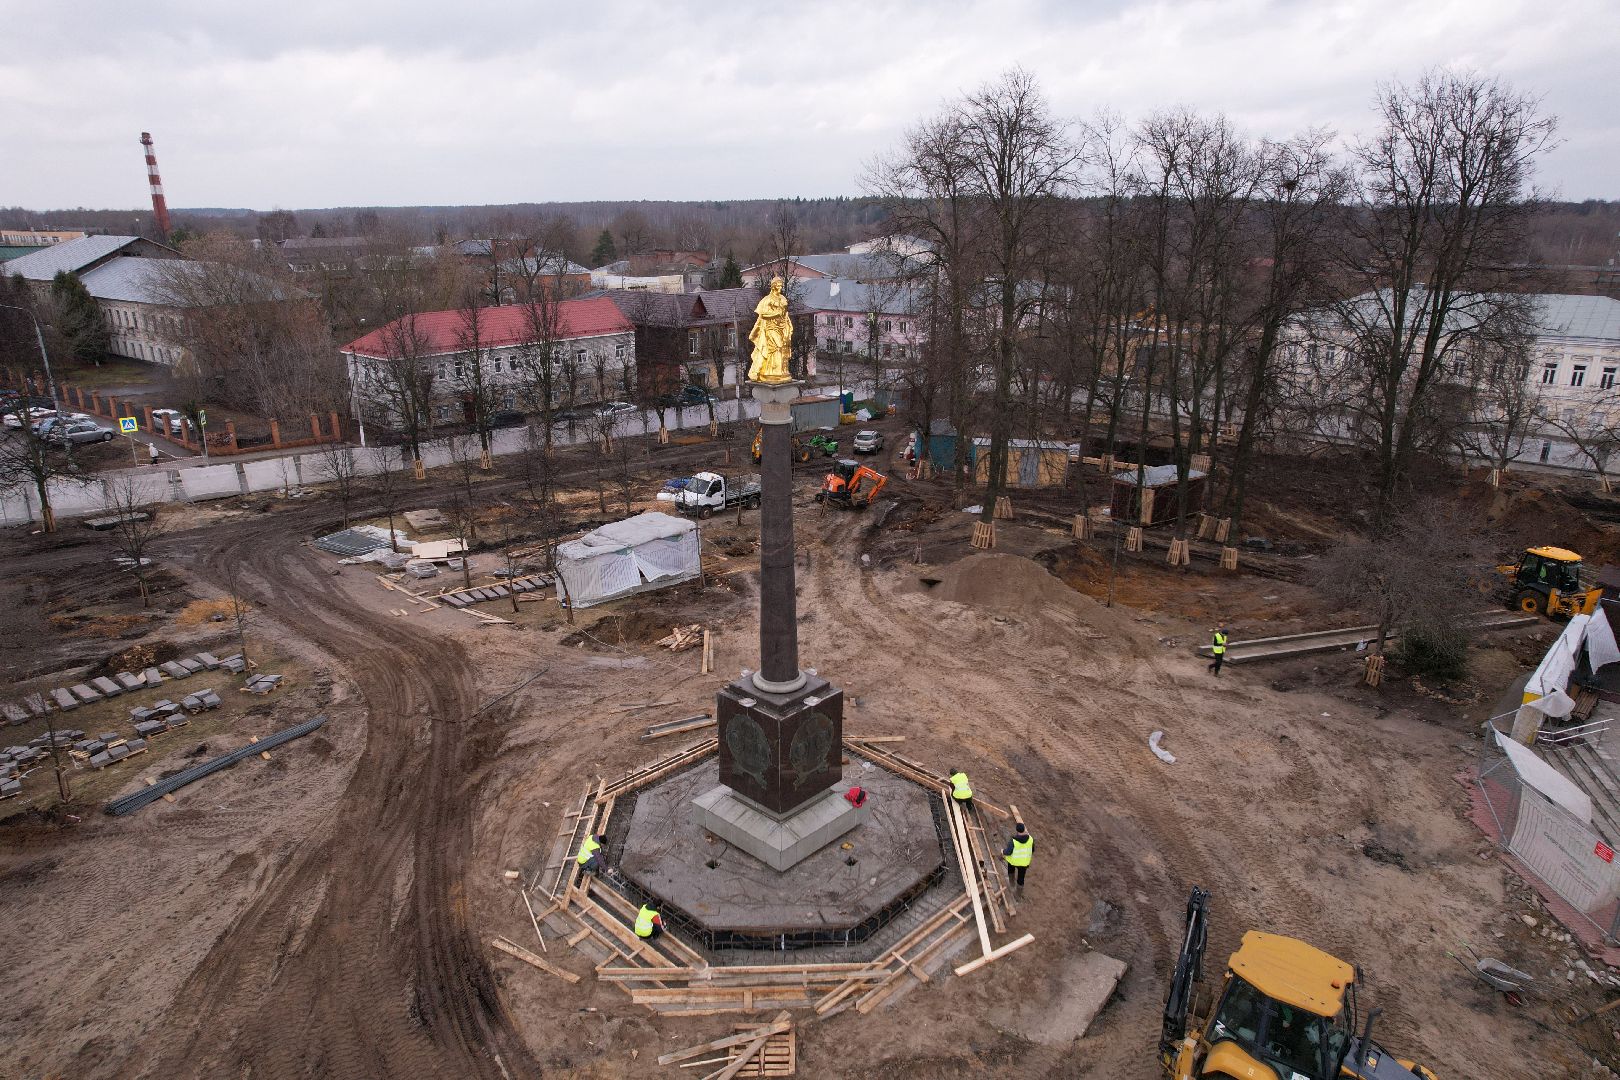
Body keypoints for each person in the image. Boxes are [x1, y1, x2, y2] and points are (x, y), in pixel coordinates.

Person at [746, 276, 794, 383]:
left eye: (781, 285)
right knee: (776, 347)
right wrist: (775, 313)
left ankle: (779, 371)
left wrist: (788, 326)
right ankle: (769, 371)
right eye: (778, 285)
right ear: (773, 286)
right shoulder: (767, 300)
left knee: (782, 348)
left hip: (782, 327)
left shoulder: (783, 298)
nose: (780, 287)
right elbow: (762, 314)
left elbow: (785, 314)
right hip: (771, 328)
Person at [1002, 821, 1033, 895]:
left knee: (1011, 871)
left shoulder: (1013, 841)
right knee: (1021, 878)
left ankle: (1012, 884)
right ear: (1024, 829)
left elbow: (1008, 852)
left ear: (1017, 830)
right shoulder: (1030, 839)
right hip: (1024, 863)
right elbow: (1032, 849)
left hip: (1013, 861)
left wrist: (1003, 851)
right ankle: (1018, 894)